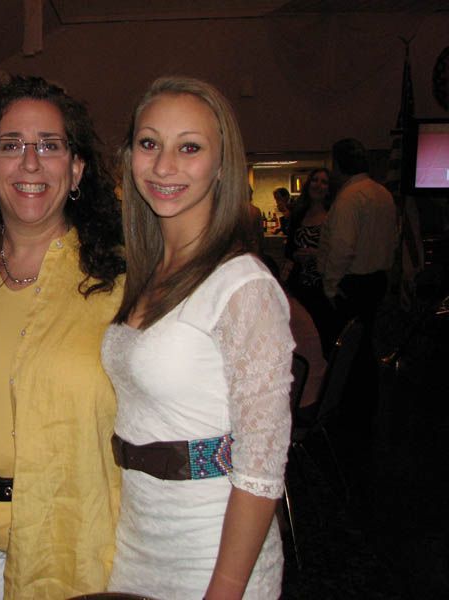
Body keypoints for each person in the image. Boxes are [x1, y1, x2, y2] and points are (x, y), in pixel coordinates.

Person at [0, 75, 125, 599]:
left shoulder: (120, 285)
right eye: (11, 145)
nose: (31, 163)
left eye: (50, 145)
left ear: (76, 168)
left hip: (70, 540)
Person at [103, 76, 294, 599]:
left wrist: (225, 588)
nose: (164, 166)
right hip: (137, 539)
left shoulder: (243, 287)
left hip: (213, 552)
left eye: (189, 147)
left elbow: (261, 466)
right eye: (149, 143)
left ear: (221, 165)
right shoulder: (146, 272)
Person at [317, 138, 397, 341]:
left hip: (353, 284)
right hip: (378, 280)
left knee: (345, 344)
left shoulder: (349, 197)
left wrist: (331, 287)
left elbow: (342, 248)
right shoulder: (384, 193)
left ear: (338, 164)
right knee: (367, 341)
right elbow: (393, 239)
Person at [284, 168, 335, 356]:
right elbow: (289, 249)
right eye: (315, 180)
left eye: (324, 182)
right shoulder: (299, 213)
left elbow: (337, 251)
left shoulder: (333, 215)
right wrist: (296, 255)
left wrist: (316, 254)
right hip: (299, 284)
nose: (318, 185)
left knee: (322, 334)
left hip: (322, 285)